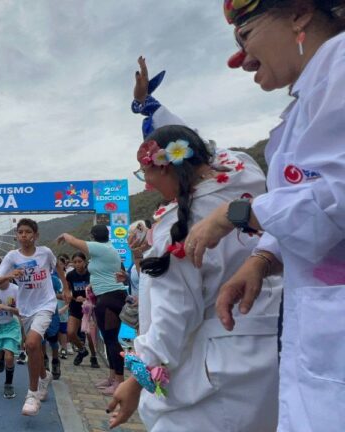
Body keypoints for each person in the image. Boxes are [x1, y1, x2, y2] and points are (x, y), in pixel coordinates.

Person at [181, 2, 345, 430]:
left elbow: (336, 196)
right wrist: (263, 258)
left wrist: (237, 215)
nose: (241, 59)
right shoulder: (305, 103)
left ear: (300, 13)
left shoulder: (341, 68)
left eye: (244, 35)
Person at [105, 125, 281, 431]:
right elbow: (203, 148)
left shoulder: (177, 227)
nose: (146, 183)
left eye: (145, 173)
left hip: (217, 366)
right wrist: (149, 107)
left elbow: (175, 312)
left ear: (167, 165)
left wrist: (138, 377)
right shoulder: (243, 172)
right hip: (272, 347)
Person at [0, 218, 69, 416]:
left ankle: (32, 394)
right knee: (34, 347)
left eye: (28, 232)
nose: (24, 235)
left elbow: (58, 268)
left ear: (36, 235)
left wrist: (66, 288)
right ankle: (44, 376)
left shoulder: (45, 252)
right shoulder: (11, 256)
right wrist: (11, 275)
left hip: (46, 304)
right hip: (25, 308)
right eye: (20, 232)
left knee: (32, 344)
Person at [57, 225, 129, 395]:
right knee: (109, 339)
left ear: (93, 236)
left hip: (109, 298)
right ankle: (112, 377)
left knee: (112, 340)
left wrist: (65, 233)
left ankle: (119, 381)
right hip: (106, 296)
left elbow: (74, 242)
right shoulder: (108, 250)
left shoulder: (101, 248)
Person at [65, 252, 99, 368]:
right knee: (70, 332)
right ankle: (82, 350)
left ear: (85, 262)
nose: (77, 264)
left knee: (89, 334)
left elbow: (97, 291)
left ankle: (93, 357)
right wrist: (72, 297)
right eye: (75, 262)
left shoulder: (92, 274)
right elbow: (68, 290)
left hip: (89, 308)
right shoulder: (70, 275)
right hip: (75, 306)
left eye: (80, 262)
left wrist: (86, 298)